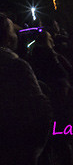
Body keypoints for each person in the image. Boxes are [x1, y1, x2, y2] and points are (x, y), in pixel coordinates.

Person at [0, 18, 53, 165]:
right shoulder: (17, 66)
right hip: (15, 147)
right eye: (12, 31)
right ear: (6, 37)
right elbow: (40, 108)